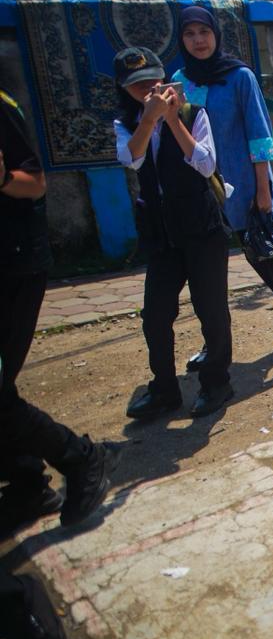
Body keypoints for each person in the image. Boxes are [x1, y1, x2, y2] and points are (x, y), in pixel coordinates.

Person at [1, 86, 120, 533]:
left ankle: (80, 458)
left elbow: (34, 182)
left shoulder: (2, 108)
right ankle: (29, 483)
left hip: (11, 264)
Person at [175, 6, 273, 363]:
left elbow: (259, 133)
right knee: (206, 270)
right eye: (189, 34)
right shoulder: (179, 81)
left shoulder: (239, 77)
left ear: (215, 35)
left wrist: (263, 190)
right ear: (181, 39)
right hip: (199, 190)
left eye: (203, 32)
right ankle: (214, 343)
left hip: (243, 181)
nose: (198, 41)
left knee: (263, 253)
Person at [114, 47, 235, 419]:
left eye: (154, 80)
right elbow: (130, 158)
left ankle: (216, 382)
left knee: (211, 308)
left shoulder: (193, 114)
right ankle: (164, 389)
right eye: (138, 85)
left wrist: (171, 120)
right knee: (156, 314)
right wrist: (148, 120)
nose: (149, 89)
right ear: (125, 88)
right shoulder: (126, 123)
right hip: (162, 233)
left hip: (201, 226)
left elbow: (205, 163)